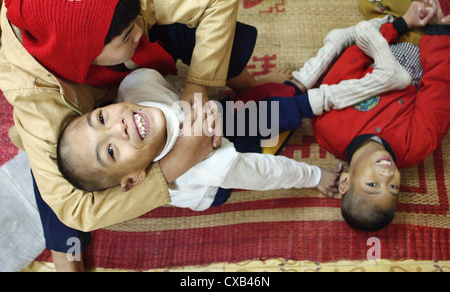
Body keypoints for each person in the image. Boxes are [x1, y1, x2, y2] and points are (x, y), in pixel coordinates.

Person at [0, 0, 289, 271]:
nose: (140, 30)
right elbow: (73, 207)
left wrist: (198, 88)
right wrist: (178, 161)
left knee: (186, 29)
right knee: (68, 163)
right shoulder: (39, 105)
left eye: (135, 23)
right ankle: (67, 256)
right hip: (80, 117)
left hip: (126, 81)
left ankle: (245, 86)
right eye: (128, 35)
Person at [57, 68, 343, 211]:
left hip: (214, 118)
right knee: (259, 145)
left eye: (101, 119)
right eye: (109, 151)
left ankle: (305, 103)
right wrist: (314, 175)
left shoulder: (136, 84)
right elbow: (263, 173)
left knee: (253, 114)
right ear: (132, 180)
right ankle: (292, 106)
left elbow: (176, 87)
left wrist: (199, 102)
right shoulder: (211, 167)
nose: (118, 127)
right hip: (211, 188)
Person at [291, 0, 450, 232]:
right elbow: (439, 88)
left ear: (345, 181)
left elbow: (352, 59)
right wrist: (439, 32)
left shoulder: (329, 127)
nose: (388, 176)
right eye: (394, 188)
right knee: (431, 9)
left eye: (373, 184)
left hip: (382, 38)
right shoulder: (415, 146)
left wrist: (400, 25)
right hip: (428, 50)